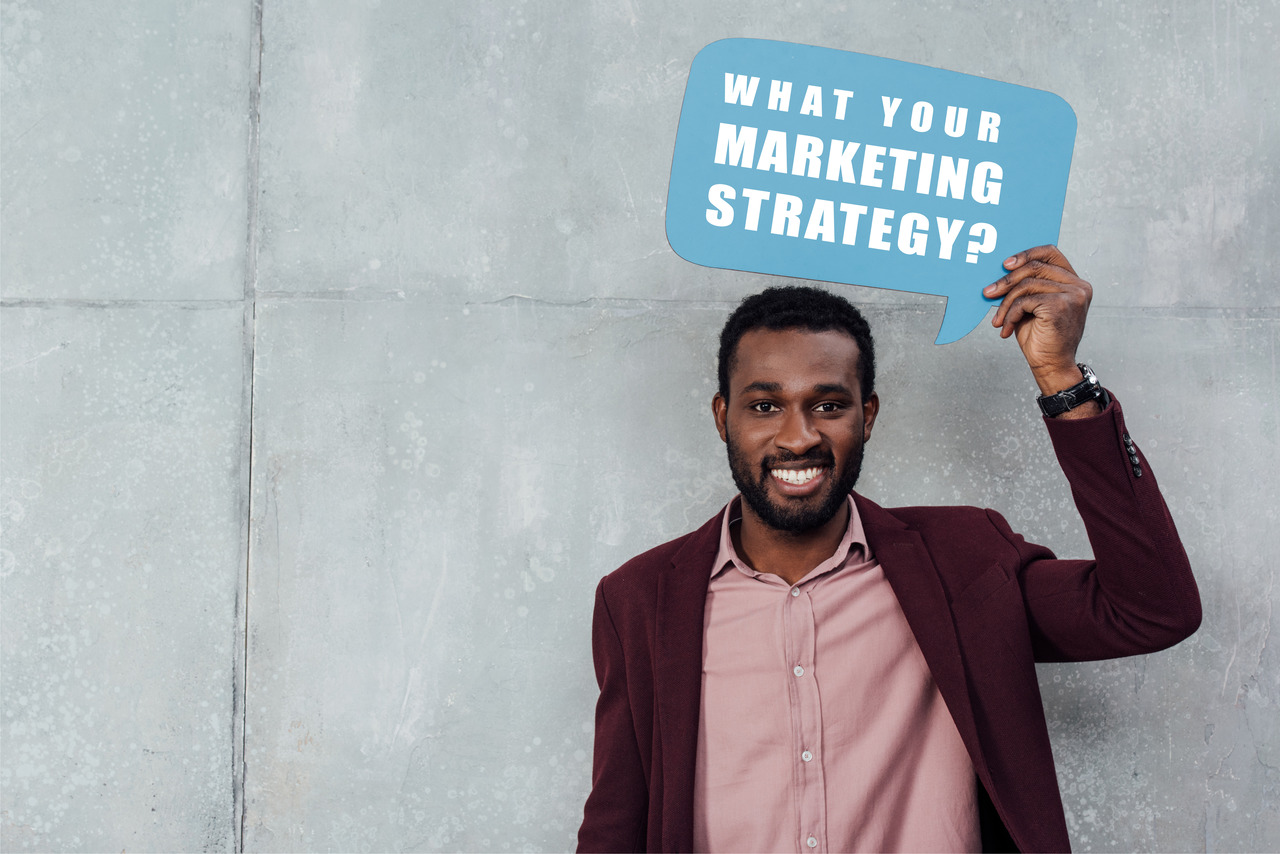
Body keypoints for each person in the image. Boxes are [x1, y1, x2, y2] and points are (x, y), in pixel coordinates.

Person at [575, 246, 1201, 853]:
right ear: (723, 418)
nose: (799, 437)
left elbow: (1151, 609)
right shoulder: (639, 600)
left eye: (829, 405)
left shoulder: (966, 561)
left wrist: (1062, 380)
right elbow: (616, 827)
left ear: (867, 417)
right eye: (765, 406)